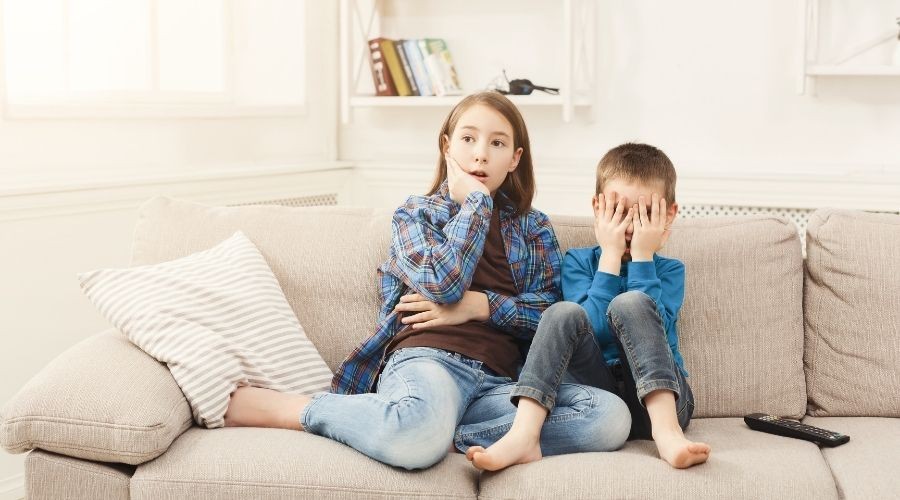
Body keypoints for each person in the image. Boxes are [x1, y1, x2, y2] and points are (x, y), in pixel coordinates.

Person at [222, 91, 630, 470]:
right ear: (447, 147)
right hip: (429, 361)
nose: (481, 154)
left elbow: (551, 315)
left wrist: (481, 306)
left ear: (514, 158)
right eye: (468, 139)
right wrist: (477, 202)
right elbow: (441, 284)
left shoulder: (533, 227)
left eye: (497, 143)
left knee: (608, 416)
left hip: (501, 383)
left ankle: (439, 433)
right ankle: (301, 409)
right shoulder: (416, 214)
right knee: (415, 431)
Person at [467, 142, 710, 471]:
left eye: (644, 215)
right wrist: (610, 257)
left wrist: (642, 257)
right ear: (598, 208)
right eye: (618, 212)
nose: (629, 227)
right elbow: (594, 328)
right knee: (563, 312)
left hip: (665, 401)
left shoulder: (670, 270)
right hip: (600, 397)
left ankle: (667, 434)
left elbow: (658, 334)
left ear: (668, 215)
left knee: (632, 303)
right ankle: (524, 434)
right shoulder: (579, 262)